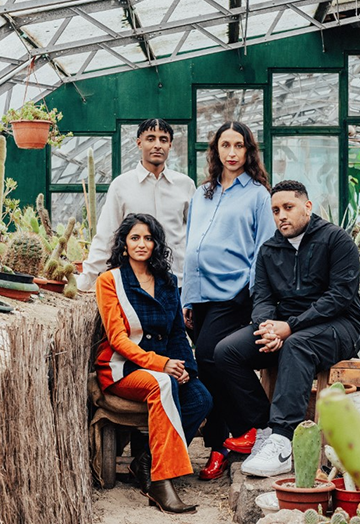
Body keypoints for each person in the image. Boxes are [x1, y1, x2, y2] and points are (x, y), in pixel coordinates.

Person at [214, 180, 360, 477]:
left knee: (298, 345)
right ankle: (266, 431)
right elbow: (263, 298)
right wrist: (267, 328)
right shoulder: (270, 250)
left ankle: (283, 442)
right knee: (226, 352)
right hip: (286, 326)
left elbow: (339, 297)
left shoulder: (337, 240)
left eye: (288, 207)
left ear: (307, 207)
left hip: (339, 326)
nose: (281, 215)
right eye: (275, 210)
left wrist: (290, 328)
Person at [94, 213, 211, 513]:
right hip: (123, 368)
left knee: (201, 398)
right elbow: (118, 339)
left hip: (165, 366)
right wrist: (163, 365)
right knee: (162, 383)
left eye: (148, 238)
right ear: (124, 244)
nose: (142, 244)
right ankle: (160, 482)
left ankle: (145, 461)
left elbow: (175, 332)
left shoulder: (167, 282)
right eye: (135, 238)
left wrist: (186, 369)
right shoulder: (111, 281)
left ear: (156, 244)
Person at [182, 121, 276, 481]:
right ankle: (221, 446)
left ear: (249, 151)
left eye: (240, 145)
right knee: (206, 368)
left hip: (233, 294)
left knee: (210, 356)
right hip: (199, 295)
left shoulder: (257, 195)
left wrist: (251, 296)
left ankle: (257, 425)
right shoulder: (201, 193)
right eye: (226, 145)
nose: (232, 152)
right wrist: (187, 298)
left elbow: (263, 250)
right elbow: (191, 244)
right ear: (216, 150)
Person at [79, 119, 195, 291]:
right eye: (150, 138)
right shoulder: (121, 185)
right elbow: (106, 236)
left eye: (163, 140)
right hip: (135, 285)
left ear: (170, 145)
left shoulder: (185, 185)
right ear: (139, 143)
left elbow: (196, 236)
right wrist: (85, 281)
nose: (157, 145)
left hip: (177, 283)